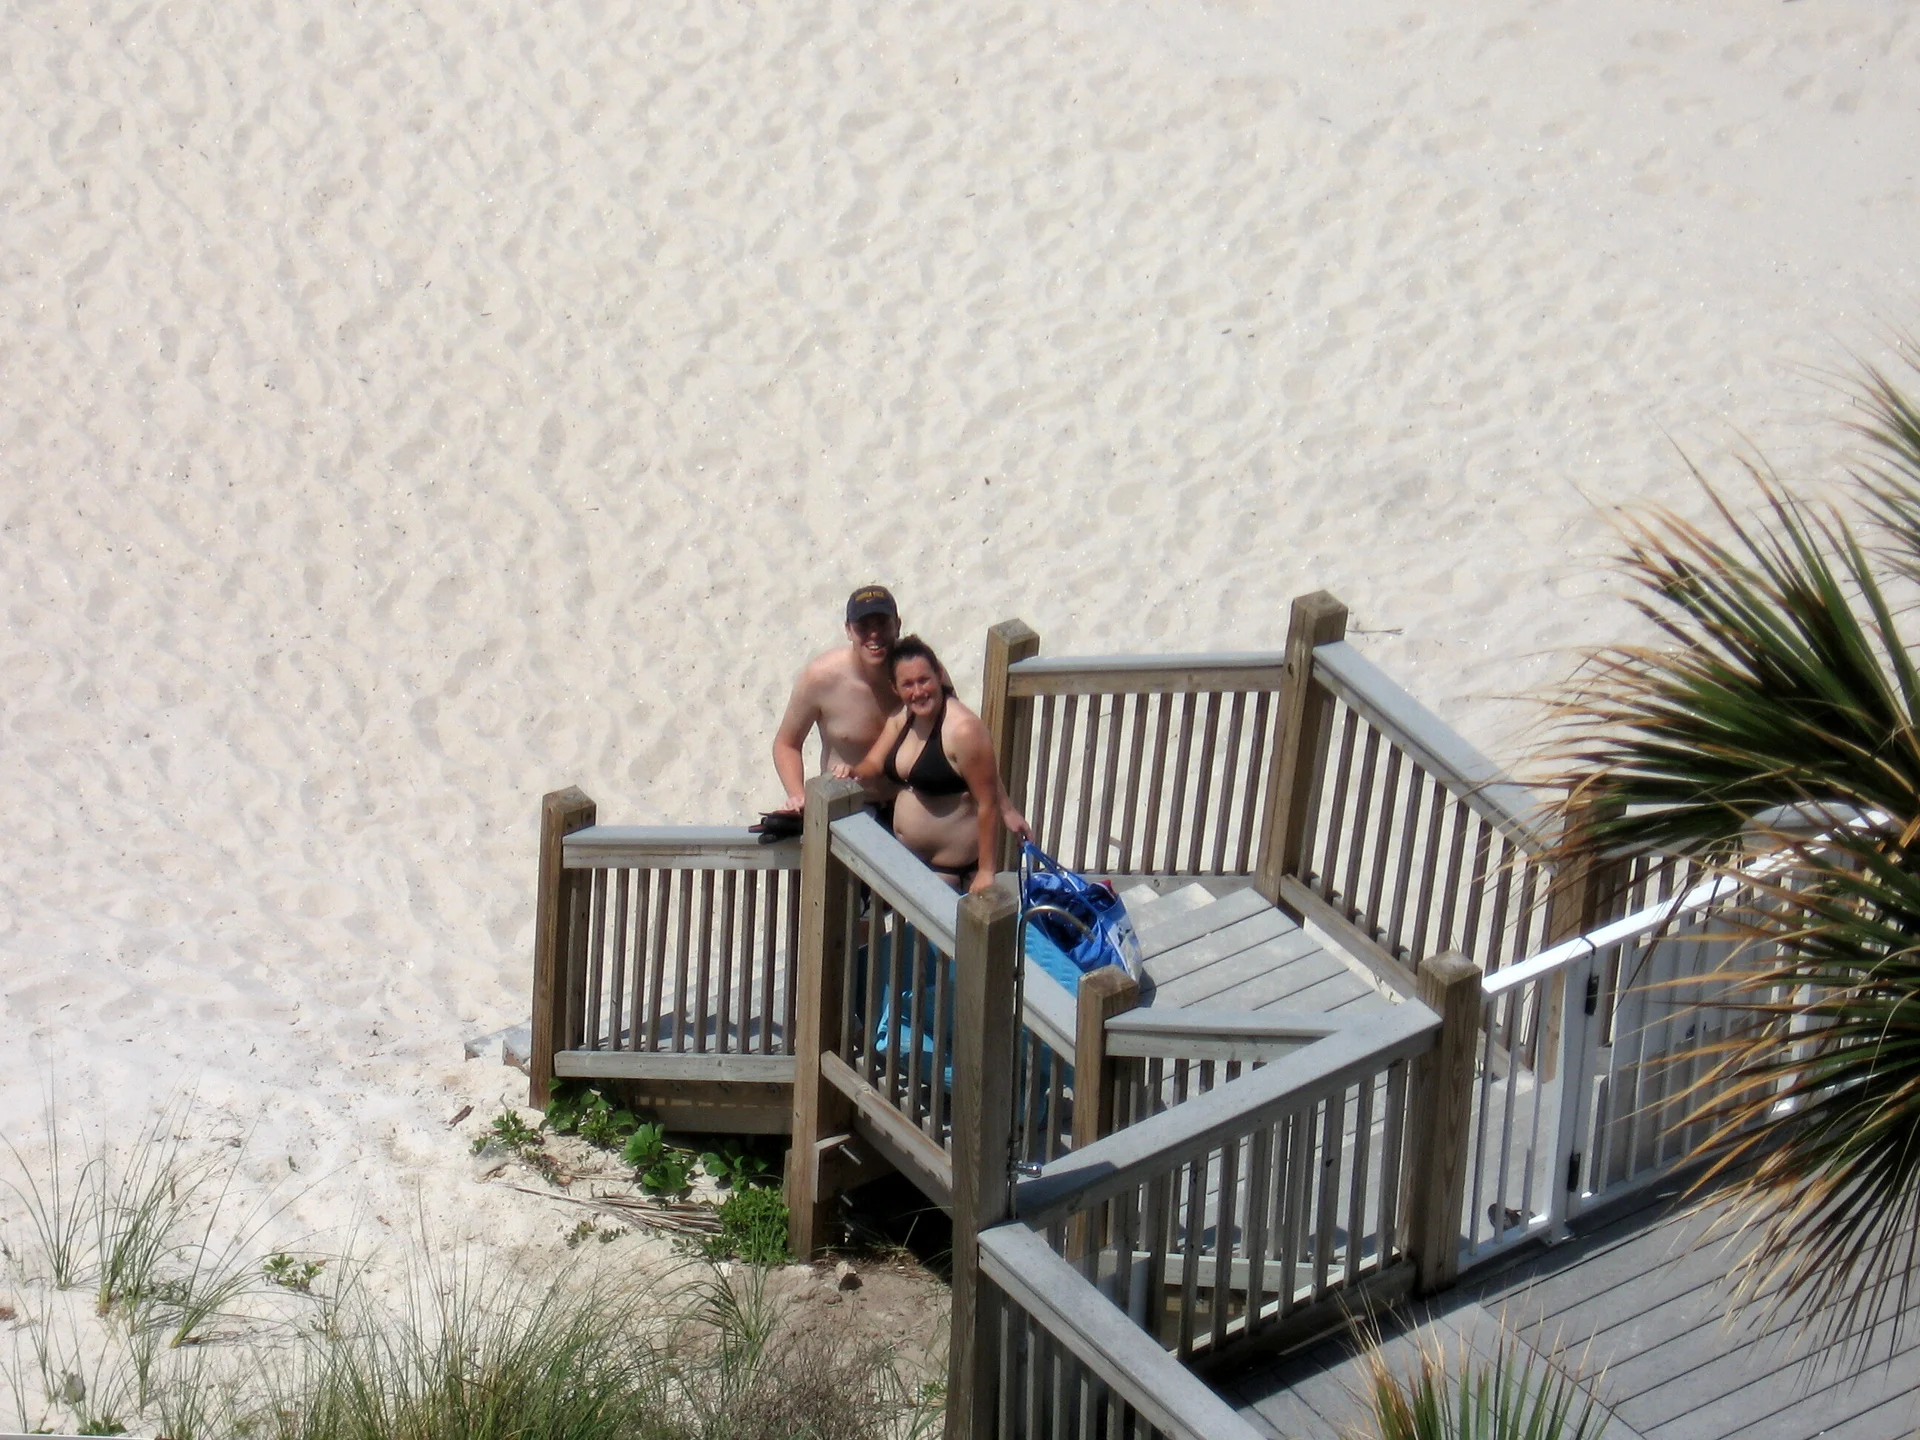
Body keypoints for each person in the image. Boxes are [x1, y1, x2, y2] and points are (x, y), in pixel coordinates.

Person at [839, 635, 1032, 894]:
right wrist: (854, 772)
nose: (918, 692)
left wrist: (986, 871)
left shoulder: (964, 731)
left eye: (924, 680)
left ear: (939, 675)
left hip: (950, 872)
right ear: (895, 688)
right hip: (908, 863)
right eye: (908, 684)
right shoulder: (903, 717)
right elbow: (874, 762)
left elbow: (986, 802)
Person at [771, 585, 904, 814]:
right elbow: (787, 744)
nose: (874, 634)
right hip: (847, 805)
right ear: (848, 630)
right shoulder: (822, 677)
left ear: (897, 625)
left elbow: (951, 725)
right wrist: (798, 796)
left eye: (882, 623)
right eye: (863, 626)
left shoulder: (918, 673)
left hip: (907, 800)